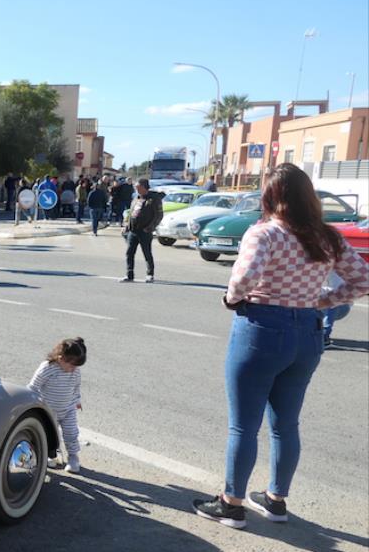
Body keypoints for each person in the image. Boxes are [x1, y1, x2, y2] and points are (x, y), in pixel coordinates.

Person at [193, 164, 369, 528]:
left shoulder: (265, 233)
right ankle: (276, 500)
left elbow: (245, 277)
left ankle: (232, 504)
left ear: (270, 196)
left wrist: (231, 298)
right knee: (286, 423)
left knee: (243, 426)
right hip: (308, 331)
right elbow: (363, 280)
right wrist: (323, 300)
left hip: (262, 328)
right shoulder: (327, 237)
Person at [27, 337, 87, 473]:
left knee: (71, 434)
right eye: (71, 365)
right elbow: (33, 387)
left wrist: (77, 401)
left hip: (68, 409)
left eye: (76, 366)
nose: (74, 369)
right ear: (61, 358)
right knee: (50, 435)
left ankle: (73, 457)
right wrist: (31, 404)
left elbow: (76, 387)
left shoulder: (75, 371)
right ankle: (51, 455)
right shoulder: (47, 368)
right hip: (49, 411)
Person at [120, 178, 163, 283]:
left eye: (138, 188)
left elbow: (159, 216)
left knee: (147, 253)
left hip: (145, 231)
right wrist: (126, 225)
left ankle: (150, 274)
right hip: (133, 231)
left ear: (144, 187)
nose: (136, 190)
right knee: (129, 253)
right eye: (136, 188)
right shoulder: (136, 198)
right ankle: (129, 275)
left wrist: (150, 228)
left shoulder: (154, 199)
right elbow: (131, 213)